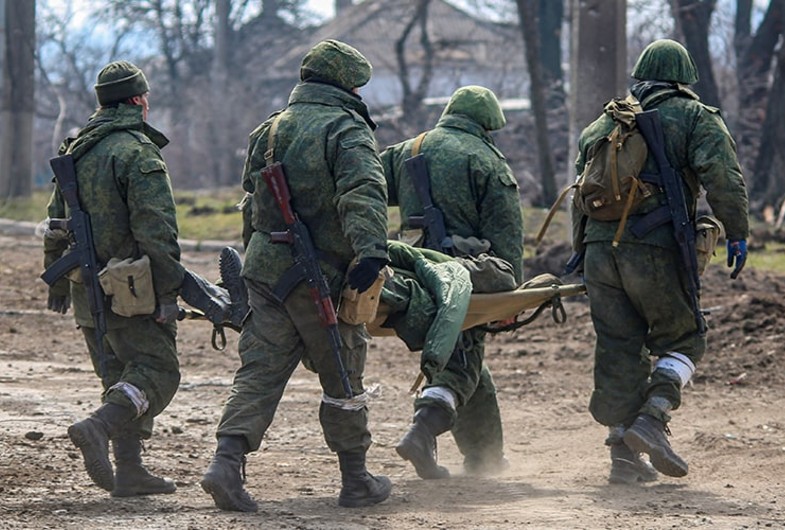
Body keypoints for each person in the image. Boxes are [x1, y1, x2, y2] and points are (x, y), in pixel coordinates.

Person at [200, 39, 391, 511]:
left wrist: (252, 265)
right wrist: (371, 251)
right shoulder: (346, 128)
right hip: (320, 274)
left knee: (259, 371)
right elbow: (362, 191)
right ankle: (356, 479)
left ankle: (226, 464)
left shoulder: (267, 130)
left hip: (265, 270)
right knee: (343, 373)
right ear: (347, 84)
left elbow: (251, 202)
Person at [572, 39, 750, 483]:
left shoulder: (603, 123)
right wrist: (739, 230)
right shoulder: (694, 116)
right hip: (653, 250)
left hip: (598, 253)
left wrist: (581, 254)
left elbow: (580, 193)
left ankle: (622, 455)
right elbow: (723, 178)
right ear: (684, 77)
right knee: (685, 338)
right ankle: (652, 419)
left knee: (618, 346)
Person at [43, 60, 184, 497]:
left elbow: (55, 220)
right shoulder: (136, 152)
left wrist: (56, 281)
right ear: (140, 100)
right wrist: (168, 292)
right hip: (132, 289)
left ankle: (129, 470)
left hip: (84, 286)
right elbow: (156, 229)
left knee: (119, 375)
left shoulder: (75, 148)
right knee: (158, 371)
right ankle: (98, 426)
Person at [380, 85, 524, 478]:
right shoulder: (488, 162)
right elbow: (507, 238)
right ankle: (424, 427)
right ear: (487, 124)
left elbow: (367, 191)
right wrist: (513, 300)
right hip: (463, 278)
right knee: (463, 356)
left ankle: (485, 458)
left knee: (467, 357)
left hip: (411, 272)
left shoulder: (407, 151)